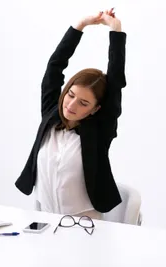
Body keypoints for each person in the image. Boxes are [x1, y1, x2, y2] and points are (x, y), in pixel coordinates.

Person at [15, 8, 127, 220]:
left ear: (95, 109)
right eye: (70, 95)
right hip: (44, 218)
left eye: (84, 103)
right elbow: (54, 67)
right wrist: (80, 25)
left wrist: (116, 31)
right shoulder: (51, 115)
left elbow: (115, 81)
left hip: (86, 222)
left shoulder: (99, 130)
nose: (71, 105)